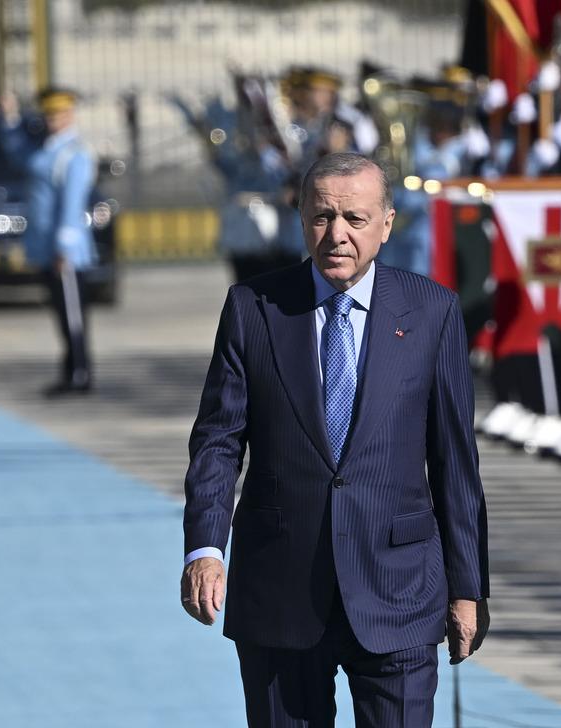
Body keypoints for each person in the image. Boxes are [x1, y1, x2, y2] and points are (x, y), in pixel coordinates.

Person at [180, 152, 489, 727]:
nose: (337, 234)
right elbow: (219, 441)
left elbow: (455, 464)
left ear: (387, 224)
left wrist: (468, 587)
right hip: (282, 589)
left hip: (399, 590)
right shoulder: (254, 308)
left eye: (355, 218)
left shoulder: (433, 311)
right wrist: (205, 548)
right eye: (322, 217)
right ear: (301, 219)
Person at [0, 88, 98, 396]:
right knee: (61, 312)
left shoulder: (75, 152)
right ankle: (70, 370)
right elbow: (20, 156)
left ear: (70, 115)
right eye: (49, 114)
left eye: (58, 114)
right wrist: (10, 118)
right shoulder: (48, 149)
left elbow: (72, 203)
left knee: (72, 314)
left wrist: (64, 246)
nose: (53, 119)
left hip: (64, 249)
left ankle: (80, 373)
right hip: (45, 245)